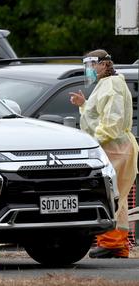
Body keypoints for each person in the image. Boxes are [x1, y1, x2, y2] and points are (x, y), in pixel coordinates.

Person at [69, 49, 138, 258]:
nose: (89, 70)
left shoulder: (113, 85)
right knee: (119, 196)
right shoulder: (108, 84)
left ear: (103, 64)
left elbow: (112, 122)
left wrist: (93, 142)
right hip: (113, 147)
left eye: (92, 65)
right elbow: (99, 115)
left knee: (112, 195)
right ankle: (117, 244)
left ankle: (112, 242)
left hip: (114, 148)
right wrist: (84, 105)